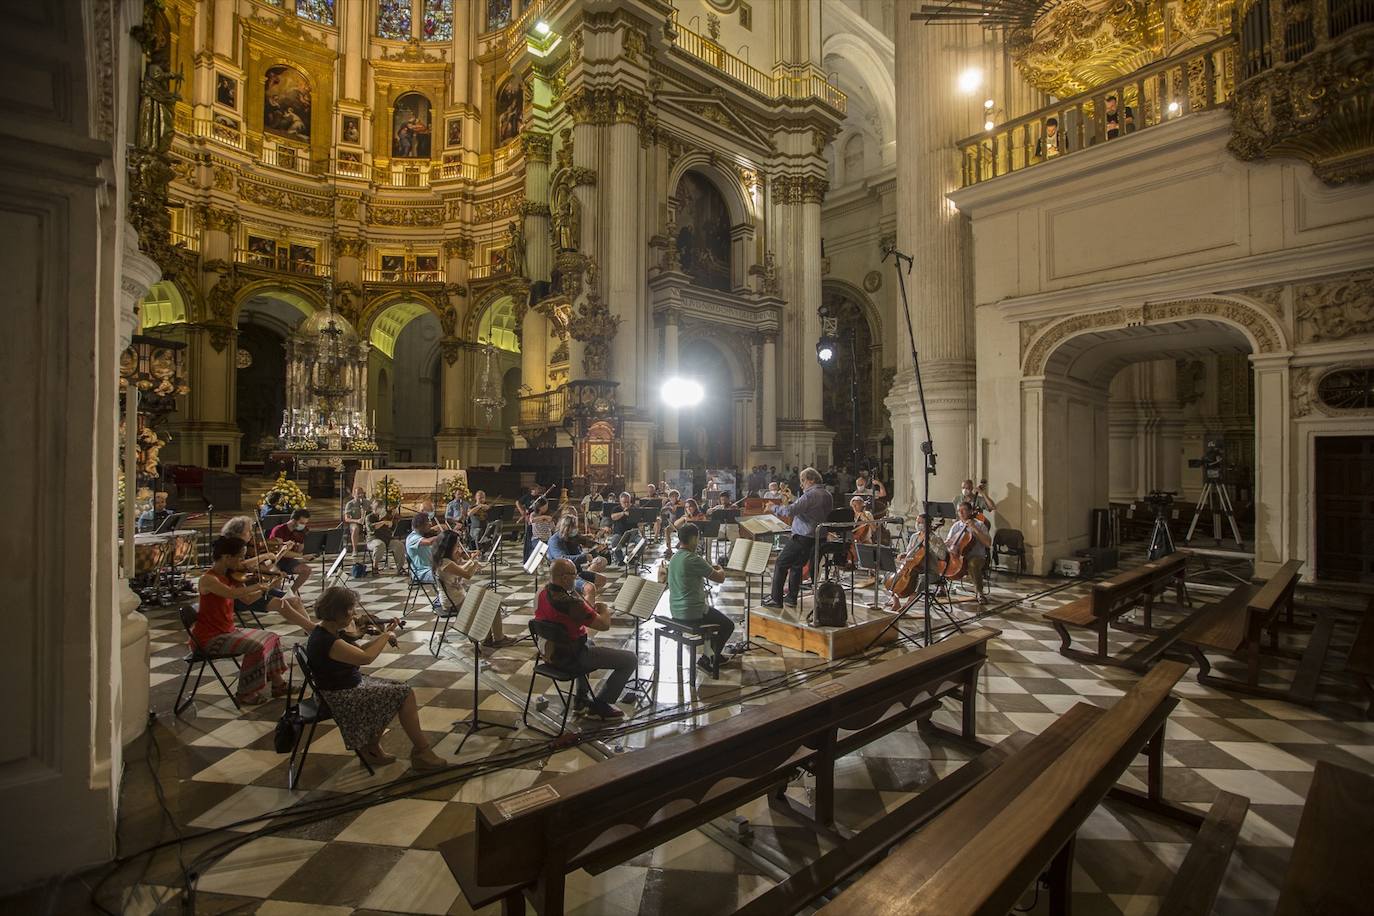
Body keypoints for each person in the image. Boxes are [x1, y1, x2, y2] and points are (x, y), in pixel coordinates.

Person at [306, 586, 449, 770]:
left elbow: (359, 651)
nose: (354, 614)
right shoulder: (327, 640)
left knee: (396, 690)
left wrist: (383, 635)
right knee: (404, 693)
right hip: (338, 696)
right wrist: (387, 635)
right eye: (351, 610)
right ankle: (422, 751)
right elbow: (365, 658)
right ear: (339, 612)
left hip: (342, 686)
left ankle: (372, 748)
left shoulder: (327, 633)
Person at [192, 536, 290, 705]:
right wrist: (258, 585)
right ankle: (246, 693)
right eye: (240, 557)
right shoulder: (208, 579)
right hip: (209, 638)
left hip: (227, 630)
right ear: (226, 557)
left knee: (272, 637)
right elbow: (232, 594)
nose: (243, 562)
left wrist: (271, 585)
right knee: (256, 647)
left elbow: (248, 600)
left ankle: (278, 684)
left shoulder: (232, 576)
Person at [534, 559, 635, 720]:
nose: (577, 578)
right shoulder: (570, 603)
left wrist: (577, 596)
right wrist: (604, 610)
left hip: (549, 652)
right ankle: (601, 705)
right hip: (571, 656)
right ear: (564, 578)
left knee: (590, 642)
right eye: (574, 575)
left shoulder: (542, 593)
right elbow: (603, 625)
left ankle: (581, 699)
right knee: (630, 659)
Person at [218, 516, 314, 631]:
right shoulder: (230, 550)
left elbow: (262, 566)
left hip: (255, 586)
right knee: (282, 603)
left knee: (295, 600)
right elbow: (240, 566)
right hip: (242, 594)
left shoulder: (244, 547)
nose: (251, 534)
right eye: (248, 531)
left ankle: (311, 629)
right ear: (238, 533)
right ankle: (313, 630)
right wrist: (263, 557)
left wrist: (277, 560)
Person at [763, 467, 834, 609]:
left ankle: (776, 599)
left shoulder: (810, 495)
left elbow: (790, 511)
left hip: (803, 536)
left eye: (803, 480)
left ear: (812, 480)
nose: (801, 484)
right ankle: (791, 598)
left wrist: (773, 507)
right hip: (817, 537)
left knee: (781, 563)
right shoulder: (827, 494)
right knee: (796, 566)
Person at [667, 524, 734, 674]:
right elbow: (720, 578)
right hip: (692, 612)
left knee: (715, 618)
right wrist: (720, 568)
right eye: (697, 538)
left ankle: (714, 654)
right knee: (728, 625)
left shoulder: (675, 557)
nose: (698, 541)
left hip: (675, 609)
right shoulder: (693, 558)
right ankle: (707, 658)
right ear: (692, 539)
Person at [431, 530, 515, 648]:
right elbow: (467, 575)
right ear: (449, 545)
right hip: (454, 602)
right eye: (457, 544)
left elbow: (460, 569)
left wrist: (468, 561)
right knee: (493, 604)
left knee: (489, 598)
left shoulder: (443, 560)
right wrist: (474, 562)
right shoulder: (445, 563)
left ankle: (487, 637)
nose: (459, 547)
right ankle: (498, 638)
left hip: (456, 597)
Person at [547, 514, 608, 602]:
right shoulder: (554, 541)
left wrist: (598, 547)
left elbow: (586, 541)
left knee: (602, 580)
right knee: (589, 589)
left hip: (577, 572)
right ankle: (586, 611)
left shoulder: (571, 536)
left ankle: (581, 601)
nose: (576, 529)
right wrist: (585, 557)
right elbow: (563, 560)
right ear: (567, 527)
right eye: (574, 526)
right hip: (565, 577)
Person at [947, 501, 992, 603]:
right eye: (959, 511)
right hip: (959, 556)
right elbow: (949, 541)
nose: (961, 513)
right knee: (943, 559)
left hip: (977, 556)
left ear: (971, 511)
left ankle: (979, 593)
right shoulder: (956, 526)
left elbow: (988, 543)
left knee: (972, 563)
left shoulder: (979, 525)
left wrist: (974, 528)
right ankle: (941, 587)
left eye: (964, 510)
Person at [266, 509, 315, 593]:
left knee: (307, 570)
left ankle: (290, 593)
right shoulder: (279, 530)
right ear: (293, 520)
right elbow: (281, 552)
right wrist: (302, 556)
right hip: (275, 560)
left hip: (288, 561)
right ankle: (276, 595)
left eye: (305, 523)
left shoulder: (300, 532)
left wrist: (301, 541)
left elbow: (299, 551)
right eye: (302, 523)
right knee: (277, 574)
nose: (303, 525)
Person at [607, 492, 638, 565]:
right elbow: (613, 517)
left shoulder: (634, 508)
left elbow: (639, 520)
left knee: (643, 542)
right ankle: (620, 559)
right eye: (624, 502)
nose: (627, 504)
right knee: (614, 541)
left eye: (628, 502)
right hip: (619, 534)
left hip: (633, 534)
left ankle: (633, 558)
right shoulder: (616, 509)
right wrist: (623, 513)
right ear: (620, 502)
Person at [343, 486, 368, 553]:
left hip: (366, 522)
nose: (360, 495)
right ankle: (355, 549)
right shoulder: (350, 504)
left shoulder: (367, 502)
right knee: (355, 528)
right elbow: (346, 519)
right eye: (358, 493)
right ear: (354, 494)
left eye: (362, 493)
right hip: (355, 522)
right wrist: (357, 521)